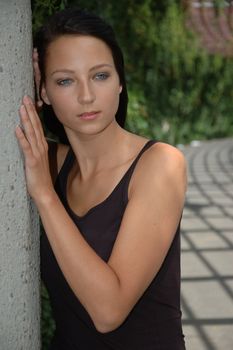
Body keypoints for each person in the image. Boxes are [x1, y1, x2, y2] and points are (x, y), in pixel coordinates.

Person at [15, 7, 187, 350]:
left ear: (120, 81)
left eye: (100, 75)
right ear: (45, 91)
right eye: (65, 80)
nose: (86, 96)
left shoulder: (160, 164)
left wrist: (45, 196)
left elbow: (109, 312)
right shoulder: (47, 161)